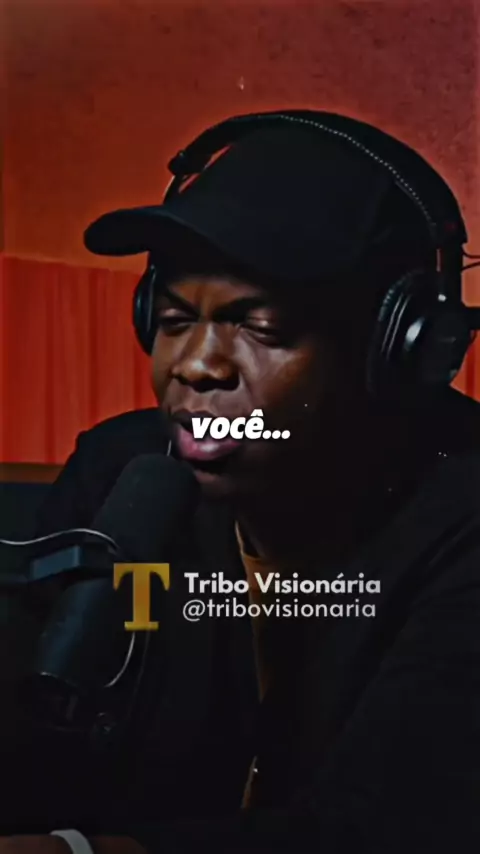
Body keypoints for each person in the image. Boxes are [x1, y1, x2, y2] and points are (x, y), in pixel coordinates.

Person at [2, 110, 480, 854]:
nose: (196, 365)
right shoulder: (121, 470)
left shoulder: (462, 511)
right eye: (173, 319)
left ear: (397, 351)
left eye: (260, 329)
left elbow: (389, 828)